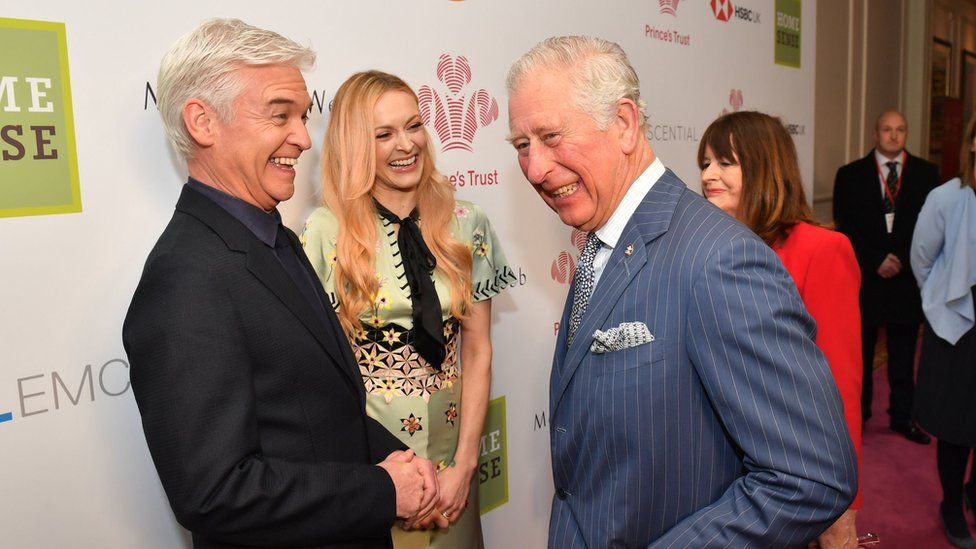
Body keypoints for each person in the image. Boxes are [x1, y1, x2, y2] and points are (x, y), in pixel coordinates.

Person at [506, 35, 856, 548]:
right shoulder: (605, 240)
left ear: (624, 124)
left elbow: (810, 477)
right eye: (521, 146)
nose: (535, 169)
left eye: (552, 137)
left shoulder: (719, 259)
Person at [123, 19, 439, 548]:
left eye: (302, 115)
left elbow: (318, 409)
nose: (303, 137)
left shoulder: (276, 238)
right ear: (202, 122)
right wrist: (382, 491)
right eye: (280, 116)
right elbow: (214, 491)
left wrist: (394, 459)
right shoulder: (185, 279)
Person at [302, 70, 512, 549]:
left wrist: (464, 467)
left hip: (453, 453)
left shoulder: (467, 222)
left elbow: (478, 353)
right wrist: (380, 484)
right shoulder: (324, 232)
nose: (406, 144)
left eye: (413, 126)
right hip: (371, 464)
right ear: (356, 145)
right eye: (383, 134)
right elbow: (320, 377)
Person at [699, 111, 863, 548]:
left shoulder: (823, 249)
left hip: (793, 478)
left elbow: (840, 385)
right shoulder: (705, 249)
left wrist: (844, 507)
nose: (709, 175)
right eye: (705, 163)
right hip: (720, 478)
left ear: (763, 165)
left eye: (725, 162)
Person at [833, 110, 939, 444]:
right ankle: (858, 417)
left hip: (907, 280)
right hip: (866, 279)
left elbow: (931, 229)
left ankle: (902, 417)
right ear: (875, 133)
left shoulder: (926, 174)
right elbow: (845, 226)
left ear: (907, 133)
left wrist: (902, 260)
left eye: (900, 130)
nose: (894, 135)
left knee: (904, 355)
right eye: (887, 129)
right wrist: (876, 260)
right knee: (860, 355)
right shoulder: (850, 175)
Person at [911, 117, 976, 548]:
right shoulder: (947, 198)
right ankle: (952, 504)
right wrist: (940, 302)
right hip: (958, 329)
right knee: (956, 426)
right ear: (971, 144)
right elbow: (921, 258)